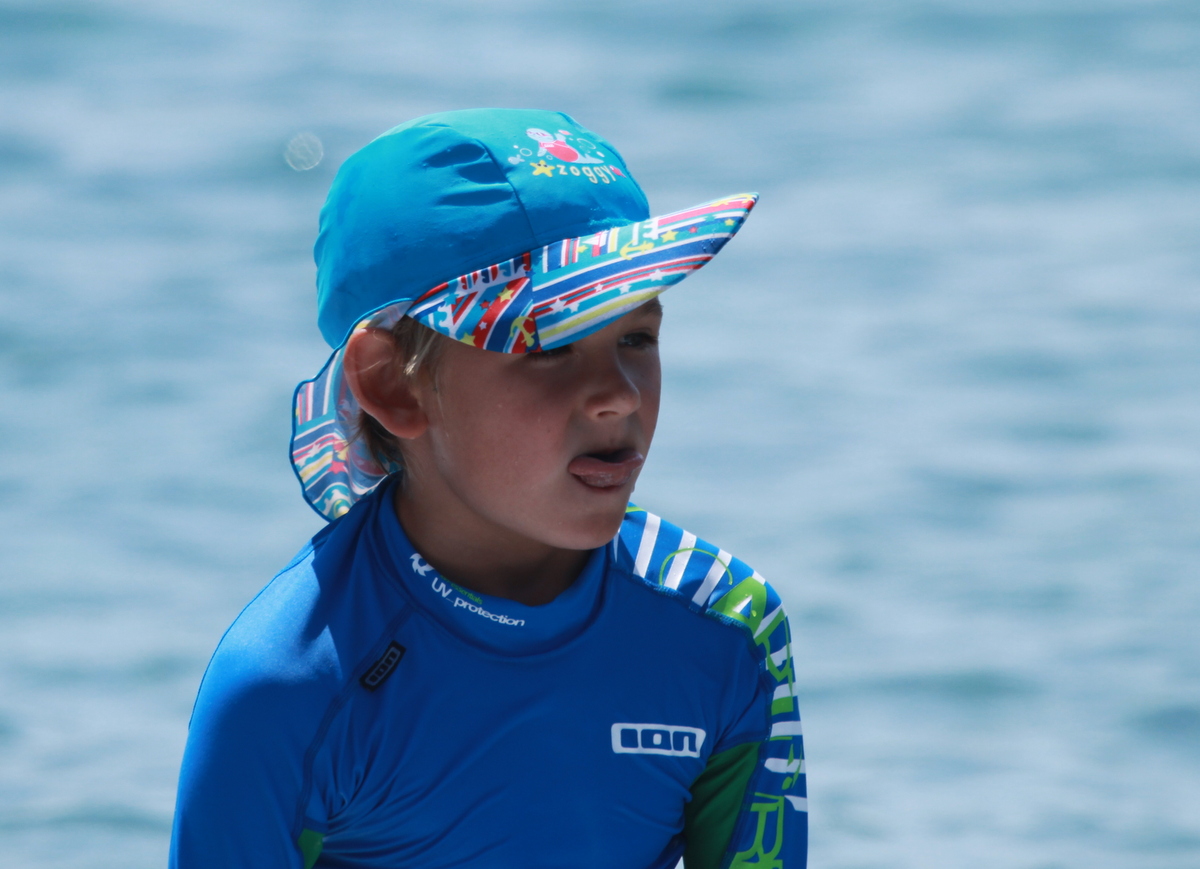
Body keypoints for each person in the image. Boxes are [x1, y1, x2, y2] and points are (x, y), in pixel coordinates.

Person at [169, 108, 807, 869]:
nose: (618, 395)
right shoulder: (287, 686)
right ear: (392, 386)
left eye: (636, 336)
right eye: (549, 346)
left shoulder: (727, 629)